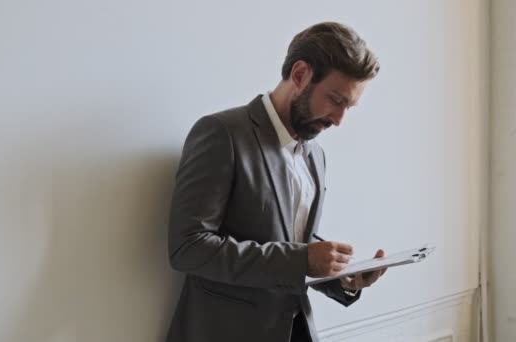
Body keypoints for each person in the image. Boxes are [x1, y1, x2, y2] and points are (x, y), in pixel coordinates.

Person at [165, 22, 387, 342]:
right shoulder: (221, 133)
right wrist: (303, 259)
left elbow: (288, 241)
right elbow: (188, 248)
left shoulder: (315, 155)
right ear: (299, 75)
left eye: (349, 107)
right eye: (336, 100)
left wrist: (340, 277)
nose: (339, 120)